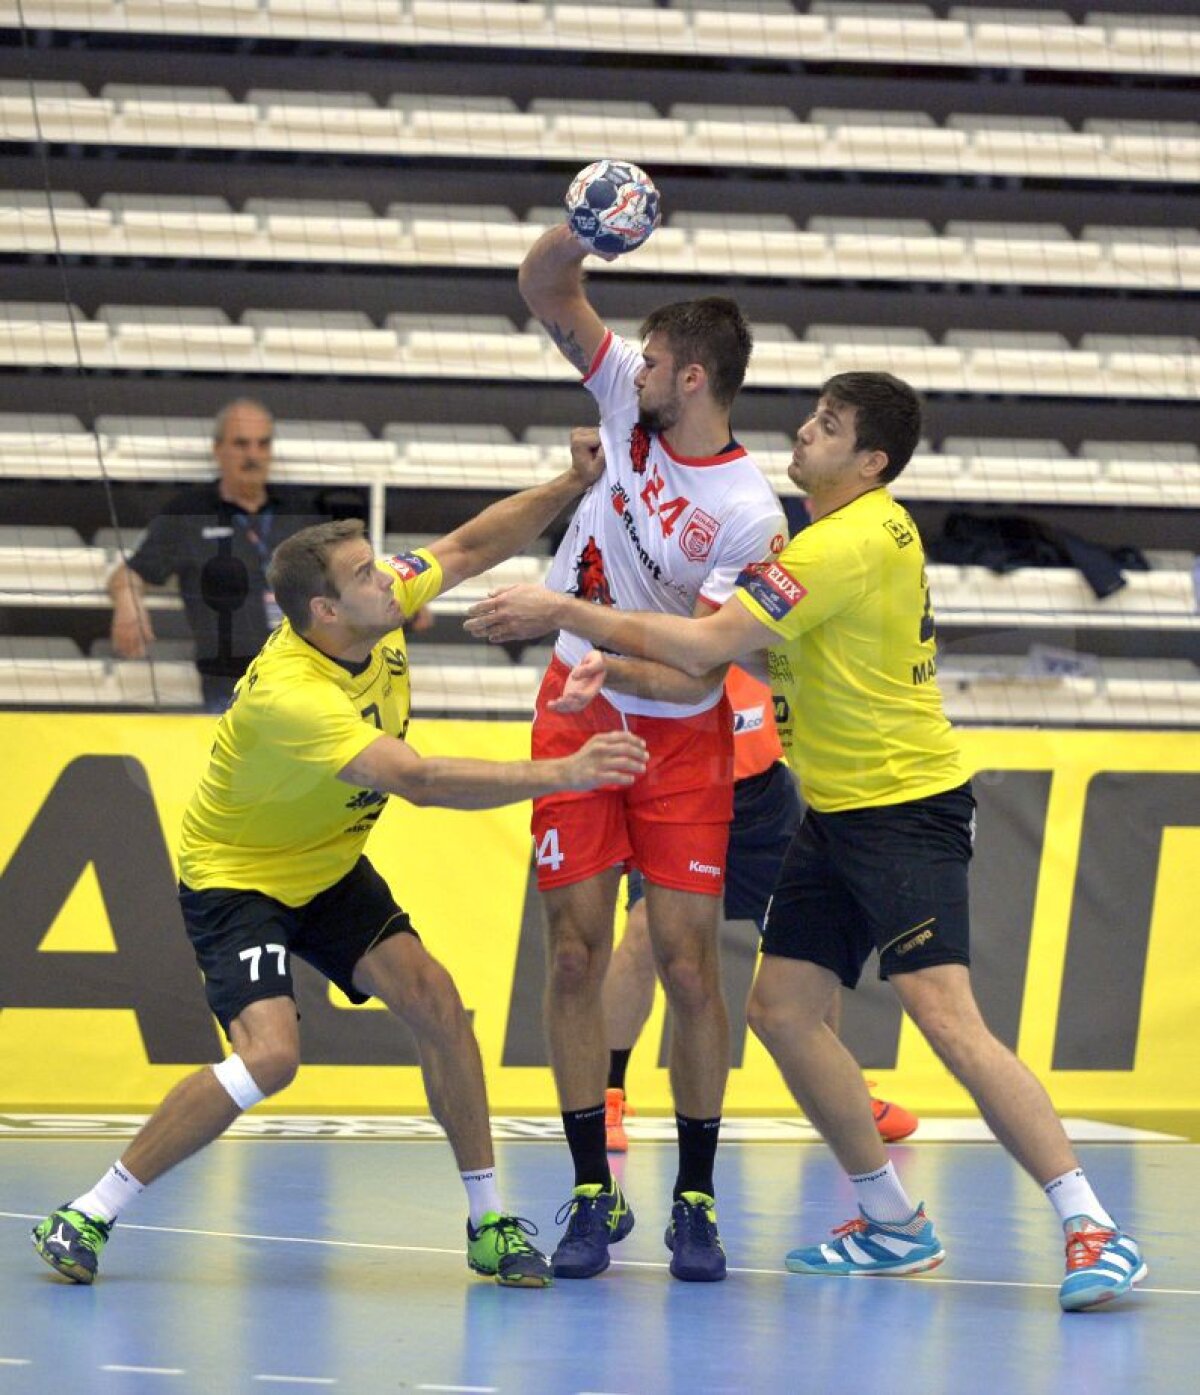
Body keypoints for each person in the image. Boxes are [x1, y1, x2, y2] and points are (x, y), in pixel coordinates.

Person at [466, 372, 1146, 1314]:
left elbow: (711, 647)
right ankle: (892, 1221)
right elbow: (724, 650)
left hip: (905, 809)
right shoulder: (830, 538)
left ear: (870, 460)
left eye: (828, 426)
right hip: (835, 810)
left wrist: (565, 616)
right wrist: (615, 664)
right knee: (782, 1010)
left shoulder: (847, 544)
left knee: (946, 1016)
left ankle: (1091, 1223)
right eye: (812, 415)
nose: (804, 430)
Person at [32, 442, 648, 1291]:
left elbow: (470, 546)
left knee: (439, 1004)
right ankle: (91, 1209)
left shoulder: (372, 609)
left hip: (324, 865)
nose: (391, 581)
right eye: (368, 575)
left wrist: (573, 482)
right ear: (326, 609)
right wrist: (567, 773)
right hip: (238, 877)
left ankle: (489, 1220)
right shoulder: (296, 694)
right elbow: (422, 780)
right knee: (271, 1057)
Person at [516, 223, 787, 1282]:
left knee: (687, 965)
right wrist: (578, 230)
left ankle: (696, 1202)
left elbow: (697, 677)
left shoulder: (750, 516)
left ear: (695, 375)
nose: (627, 355)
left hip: (676, 742)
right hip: (575, 714)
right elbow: (544, 287)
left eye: (652, 352)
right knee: (575, 953)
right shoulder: (628, 391)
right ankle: (592, 1194)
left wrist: (592, 650)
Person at [603, 667, 918, 1154]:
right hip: (677, 781)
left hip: (764, 793)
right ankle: (606, 1093)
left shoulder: (771, 593)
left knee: (808, 941)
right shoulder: (666, 594)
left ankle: (835, 1094)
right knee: (646, 929)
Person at [107, 399, 325, 713]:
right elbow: (129, 574)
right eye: (241, 444)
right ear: (217, 448)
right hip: (231, 690)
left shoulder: (299, 511)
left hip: (308, 684)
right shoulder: (190, 513)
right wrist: (128, 605)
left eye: (262, 444)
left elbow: (346, 576)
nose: (253, 455)